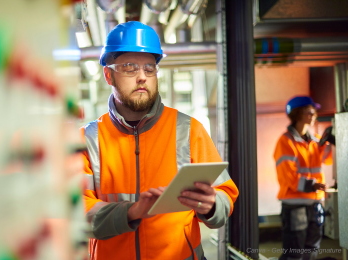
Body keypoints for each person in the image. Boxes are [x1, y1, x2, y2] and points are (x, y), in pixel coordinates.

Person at [81, 21, 239, 260]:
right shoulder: (88, 140)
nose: (142, 77)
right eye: (130, 68)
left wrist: (213, 205)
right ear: (108, 75)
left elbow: (226, 194)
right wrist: (132, 212)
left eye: (149, 68)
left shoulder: (188, 130)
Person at [274, 96, 333, 260]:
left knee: (311, 250)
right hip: (295, 205)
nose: (314, 114)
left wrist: (332, 142)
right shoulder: (285, 142)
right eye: (310, 110)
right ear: (298, 113)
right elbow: (288, 176)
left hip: (314, 203)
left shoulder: (314, 140)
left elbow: (328, 159)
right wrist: (313, 185)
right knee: (294, 252)